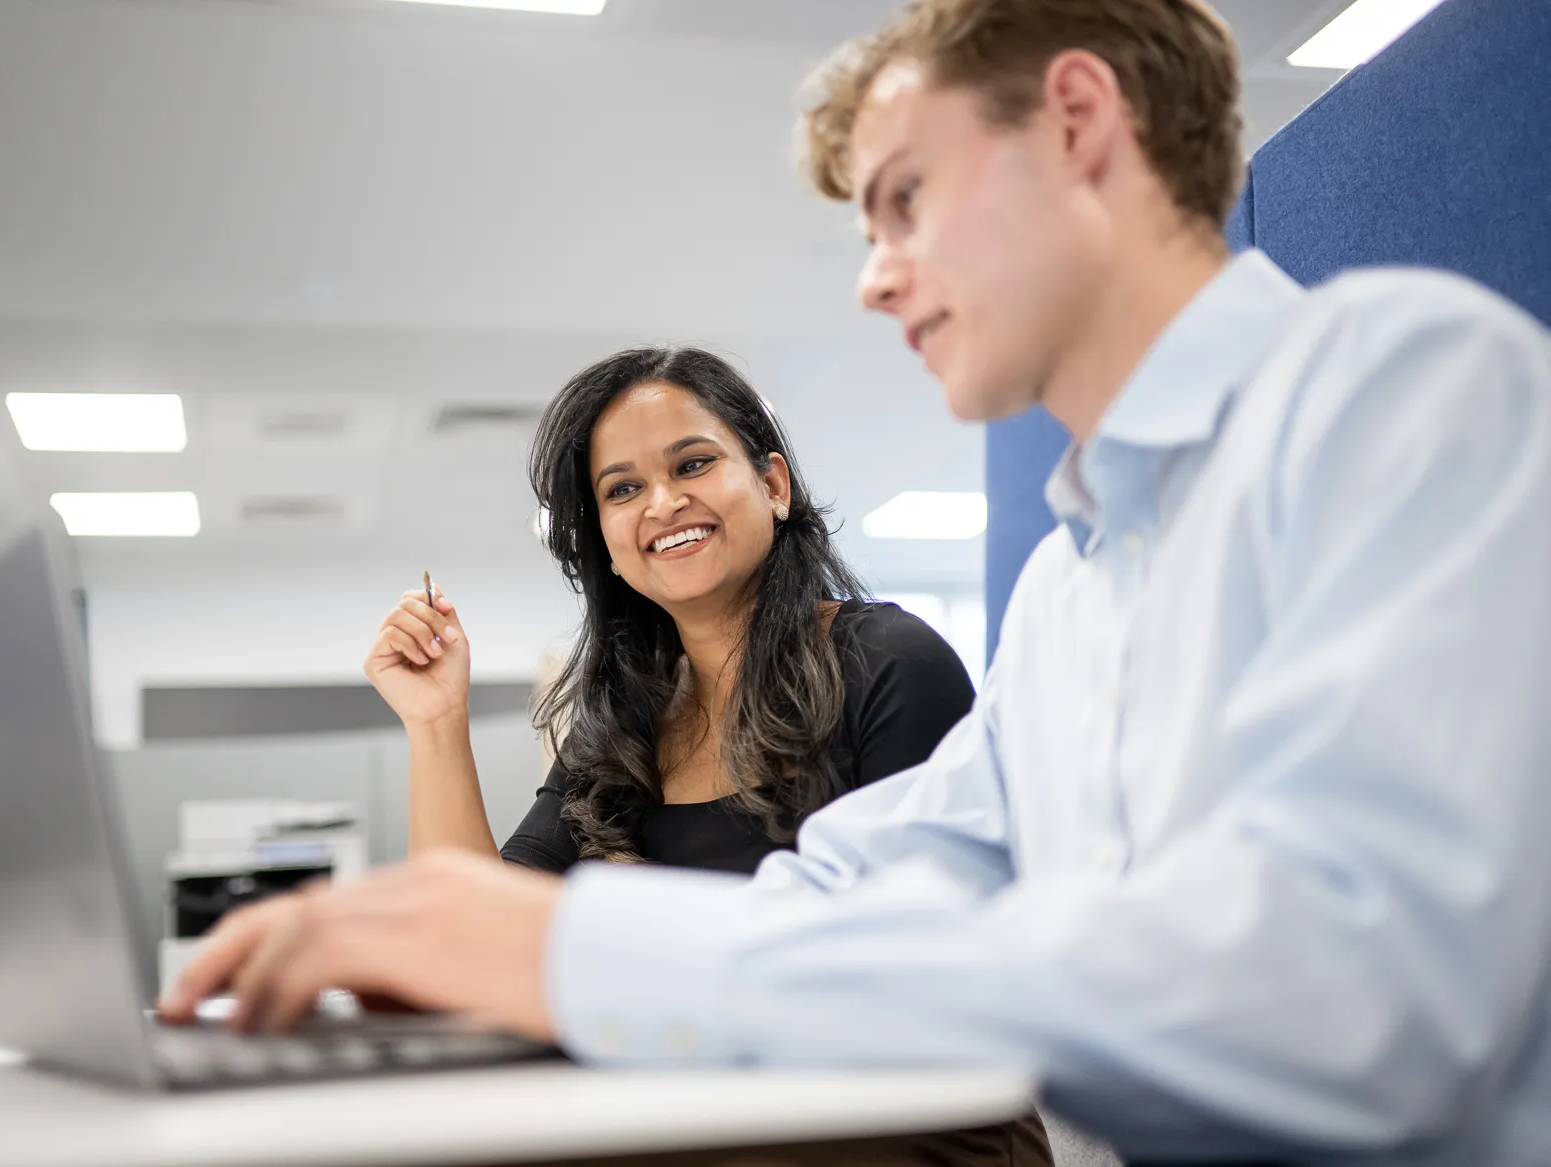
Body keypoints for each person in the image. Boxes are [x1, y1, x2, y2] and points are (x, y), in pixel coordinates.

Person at [161, 1, 1551, 1163]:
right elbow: (842, 883)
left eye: (903, 205)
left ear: (1076, 123)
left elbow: (1354, 991)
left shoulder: (1398, 388)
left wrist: (579, 958)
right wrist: (459, 945)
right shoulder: (1077, 594)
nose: (877, 282)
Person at [360, 345, 1051, 1164]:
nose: (663, 501)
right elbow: (474, 943)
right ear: (608, 543)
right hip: (708, 1128)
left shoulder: (890, 663)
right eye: (622, 488)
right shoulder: (622, 725)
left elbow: (912, 984)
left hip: (904, 1134)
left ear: (773, 485)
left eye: (693, 462)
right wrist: (438, 721)